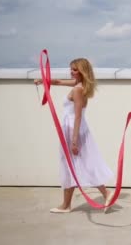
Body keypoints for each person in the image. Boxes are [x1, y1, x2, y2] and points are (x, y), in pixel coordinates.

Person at [35, 58, 114, 213]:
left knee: (71, 165)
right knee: (78, 165)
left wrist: (74, 140)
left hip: (74, 130)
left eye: (75, 69)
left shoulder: (78, 89)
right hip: (74, 130)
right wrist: (43, 80)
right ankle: (70, 203)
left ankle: (69, 204)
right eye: (71, 69)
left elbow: (77, 116)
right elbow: (58, 82)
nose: (71, 72)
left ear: (82, 71)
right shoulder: (79, 85)